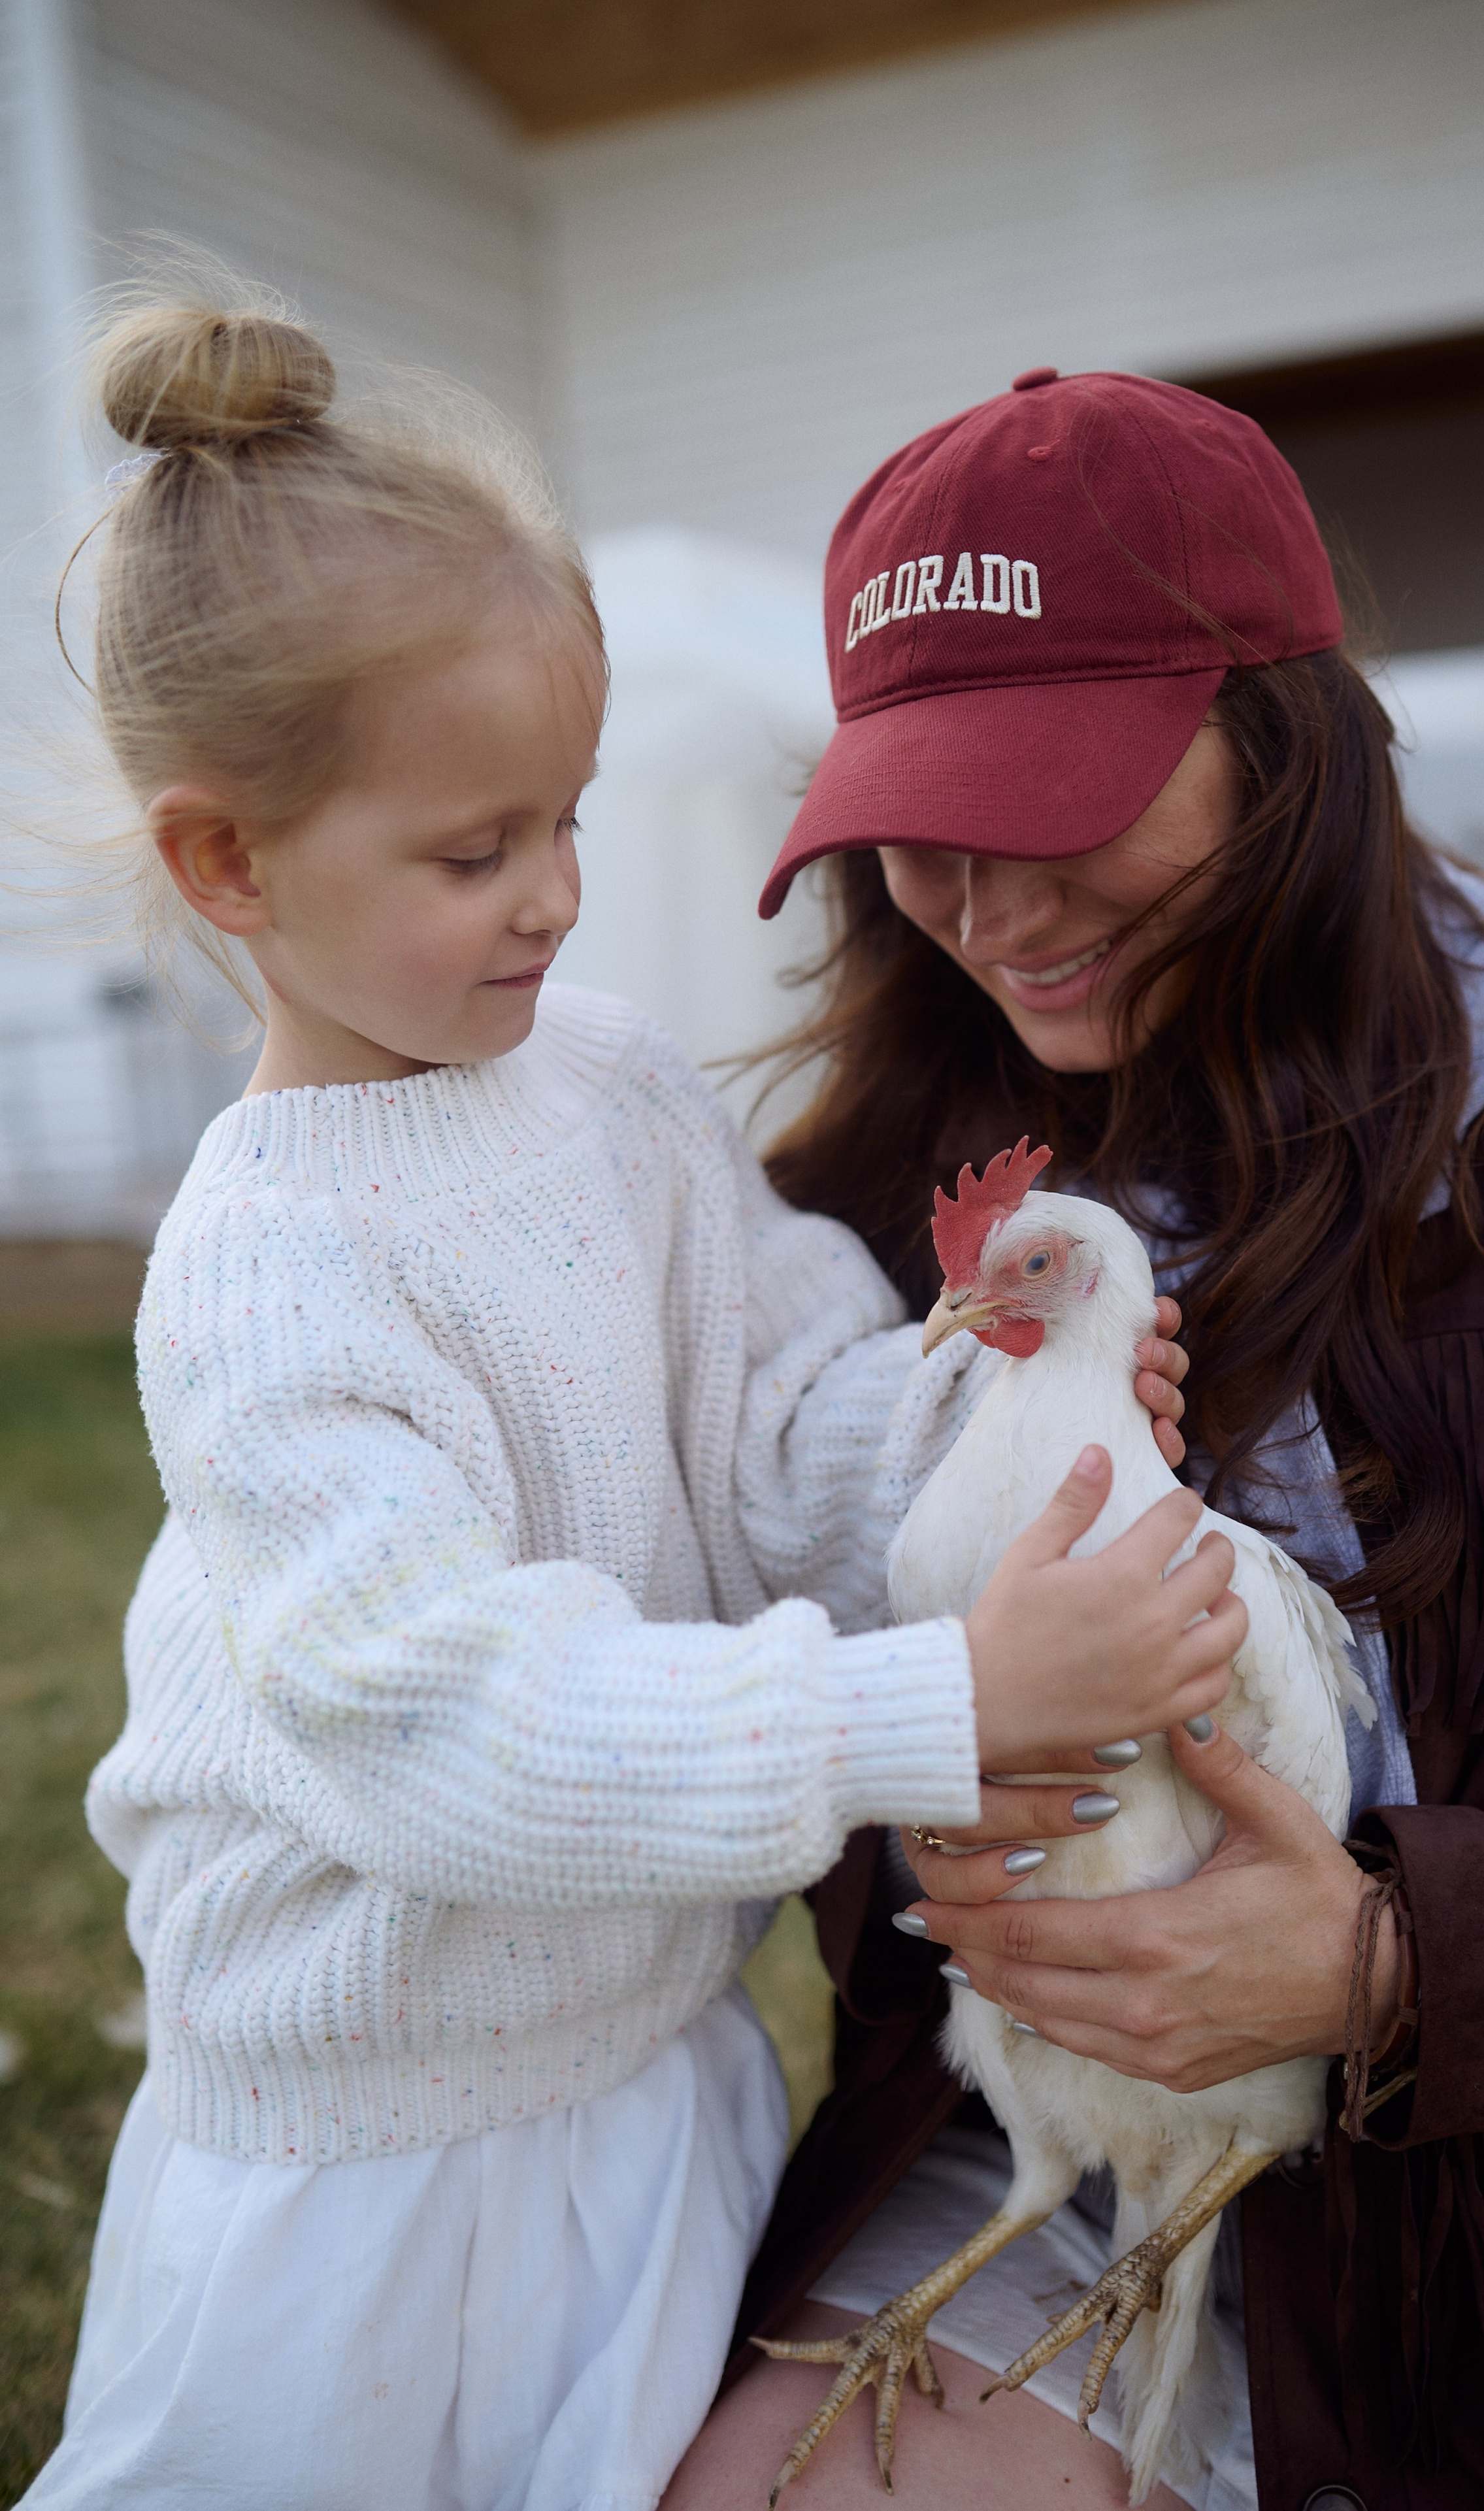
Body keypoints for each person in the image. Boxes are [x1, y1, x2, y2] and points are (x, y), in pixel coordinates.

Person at [24, 301, 1225, 2511]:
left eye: (566, 817)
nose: (558, 894)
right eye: (477, 852)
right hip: (381, 2144)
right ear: (227, 868)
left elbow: (776, 1410)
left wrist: (980, 1430)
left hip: (644, 2064)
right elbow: (442, 1725)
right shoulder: (267, 1272)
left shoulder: (611, 1075)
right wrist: (935, 1699)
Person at [668, 369, 1484, 2509]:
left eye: (1065, 795)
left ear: (1287, 740)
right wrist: (907, 1793)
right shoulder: (869, 1194)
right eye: (921, 820)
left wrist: (1396, 1958)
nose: (992, 902)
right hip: (1039, 2146)